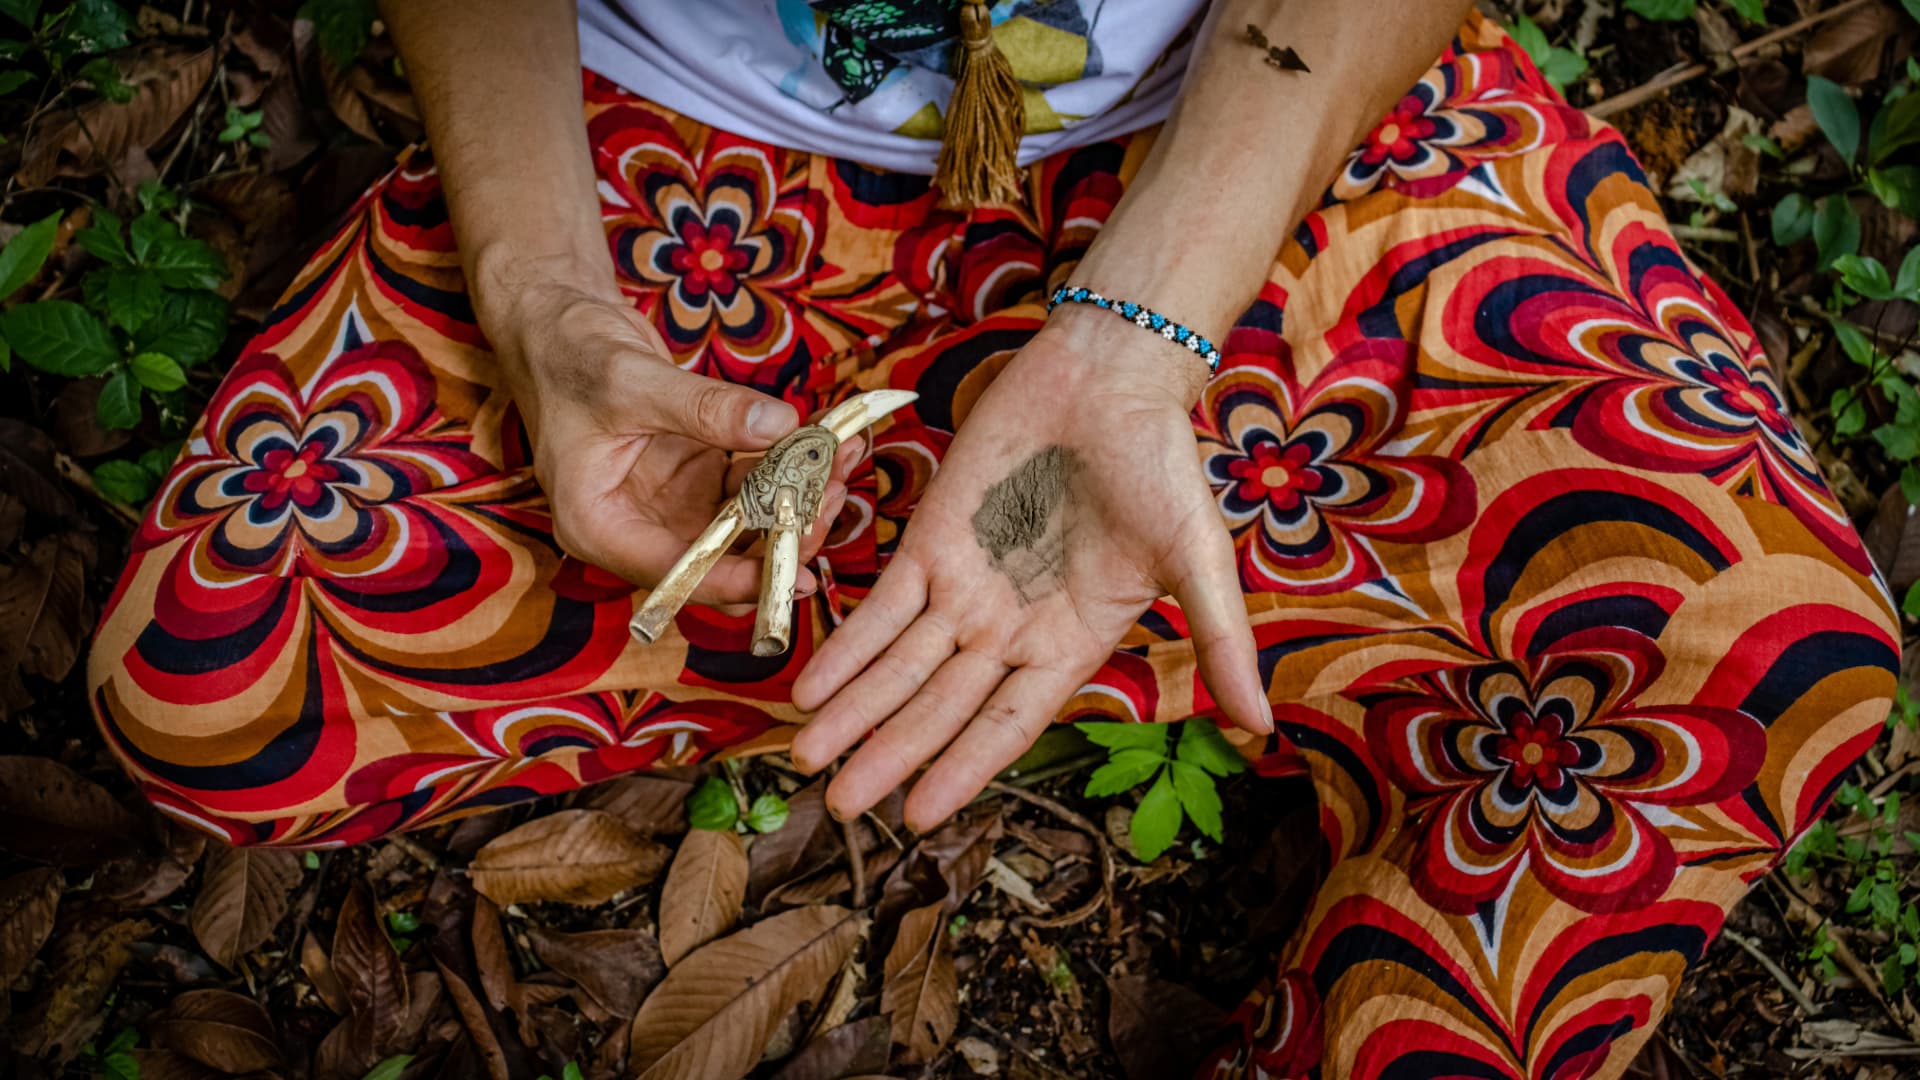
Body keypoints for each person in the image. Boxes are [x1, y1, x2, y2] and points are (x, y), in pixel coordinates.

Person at [87, 0, 1899, 1074]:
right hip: (669, 178)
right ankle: (1188, 620)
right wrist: (545, 298)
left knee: (1758, 649)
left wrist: (1149, 329)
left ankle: (1031, 597)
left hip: (1253, 143)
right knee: (210, 684)